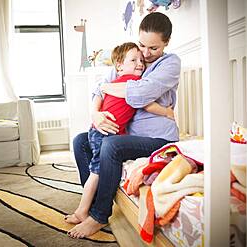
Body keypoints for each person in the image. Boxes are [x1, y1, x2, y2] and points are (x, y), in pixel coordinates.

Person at [67, 12, 180, 239]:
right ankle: (94, 199)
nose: (145, 55)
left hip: (159, 139)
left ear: (166, 43)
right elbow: (98, 88)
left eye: (153, 48)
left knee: (110, 146)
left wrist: (108, 88)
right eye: (142, 46)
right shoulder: (133, 57)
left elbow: (139, 95)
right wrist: (95, 113)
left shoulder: (170, 63)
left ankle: (99, 215)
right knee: (81, 141)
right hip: (127, 134)